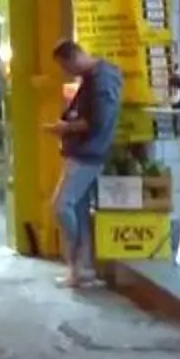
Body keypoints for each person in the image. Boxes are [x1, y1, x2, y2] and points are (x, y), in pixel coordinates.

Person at [47, 39, 123, 288]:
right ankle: (82, 268)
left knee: (62, 205)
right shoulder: (94, 78)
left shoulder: (101, 80)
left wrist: (65, 127)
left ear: (73, 57)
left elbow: (98, 121)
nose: (67, 72)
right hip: (85, 151)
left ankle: (76, 257)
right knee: (77, 207)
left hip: (88, 154)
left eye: (65, 66)